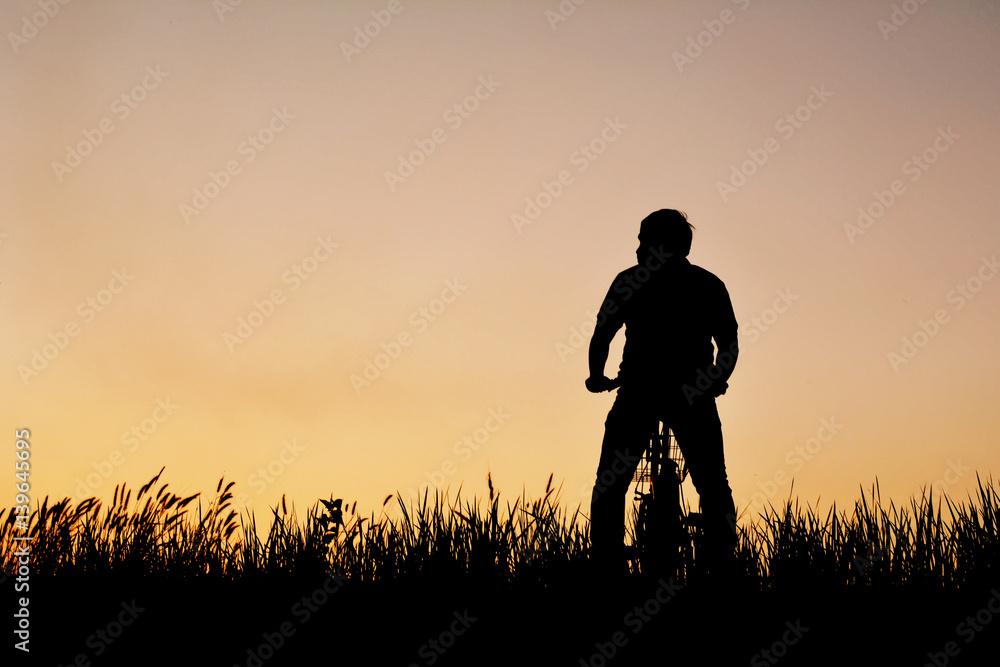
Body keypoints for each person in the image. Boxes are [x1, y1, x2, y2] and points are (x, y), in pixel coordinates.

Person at [585, 209, 739, 577]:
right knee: (713, 482)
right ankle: (721, 568)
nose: (638, 247)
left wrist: (596, 376)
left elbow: (603, 333)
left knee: (610, 481)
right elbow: (729, 342)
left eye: (643, 239)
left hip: (639, 389)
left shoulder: (629, 281)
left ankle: (605, 568)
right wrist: (718, 376)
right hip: (693, 393)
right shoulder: (707, 283)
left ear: (659, 243)